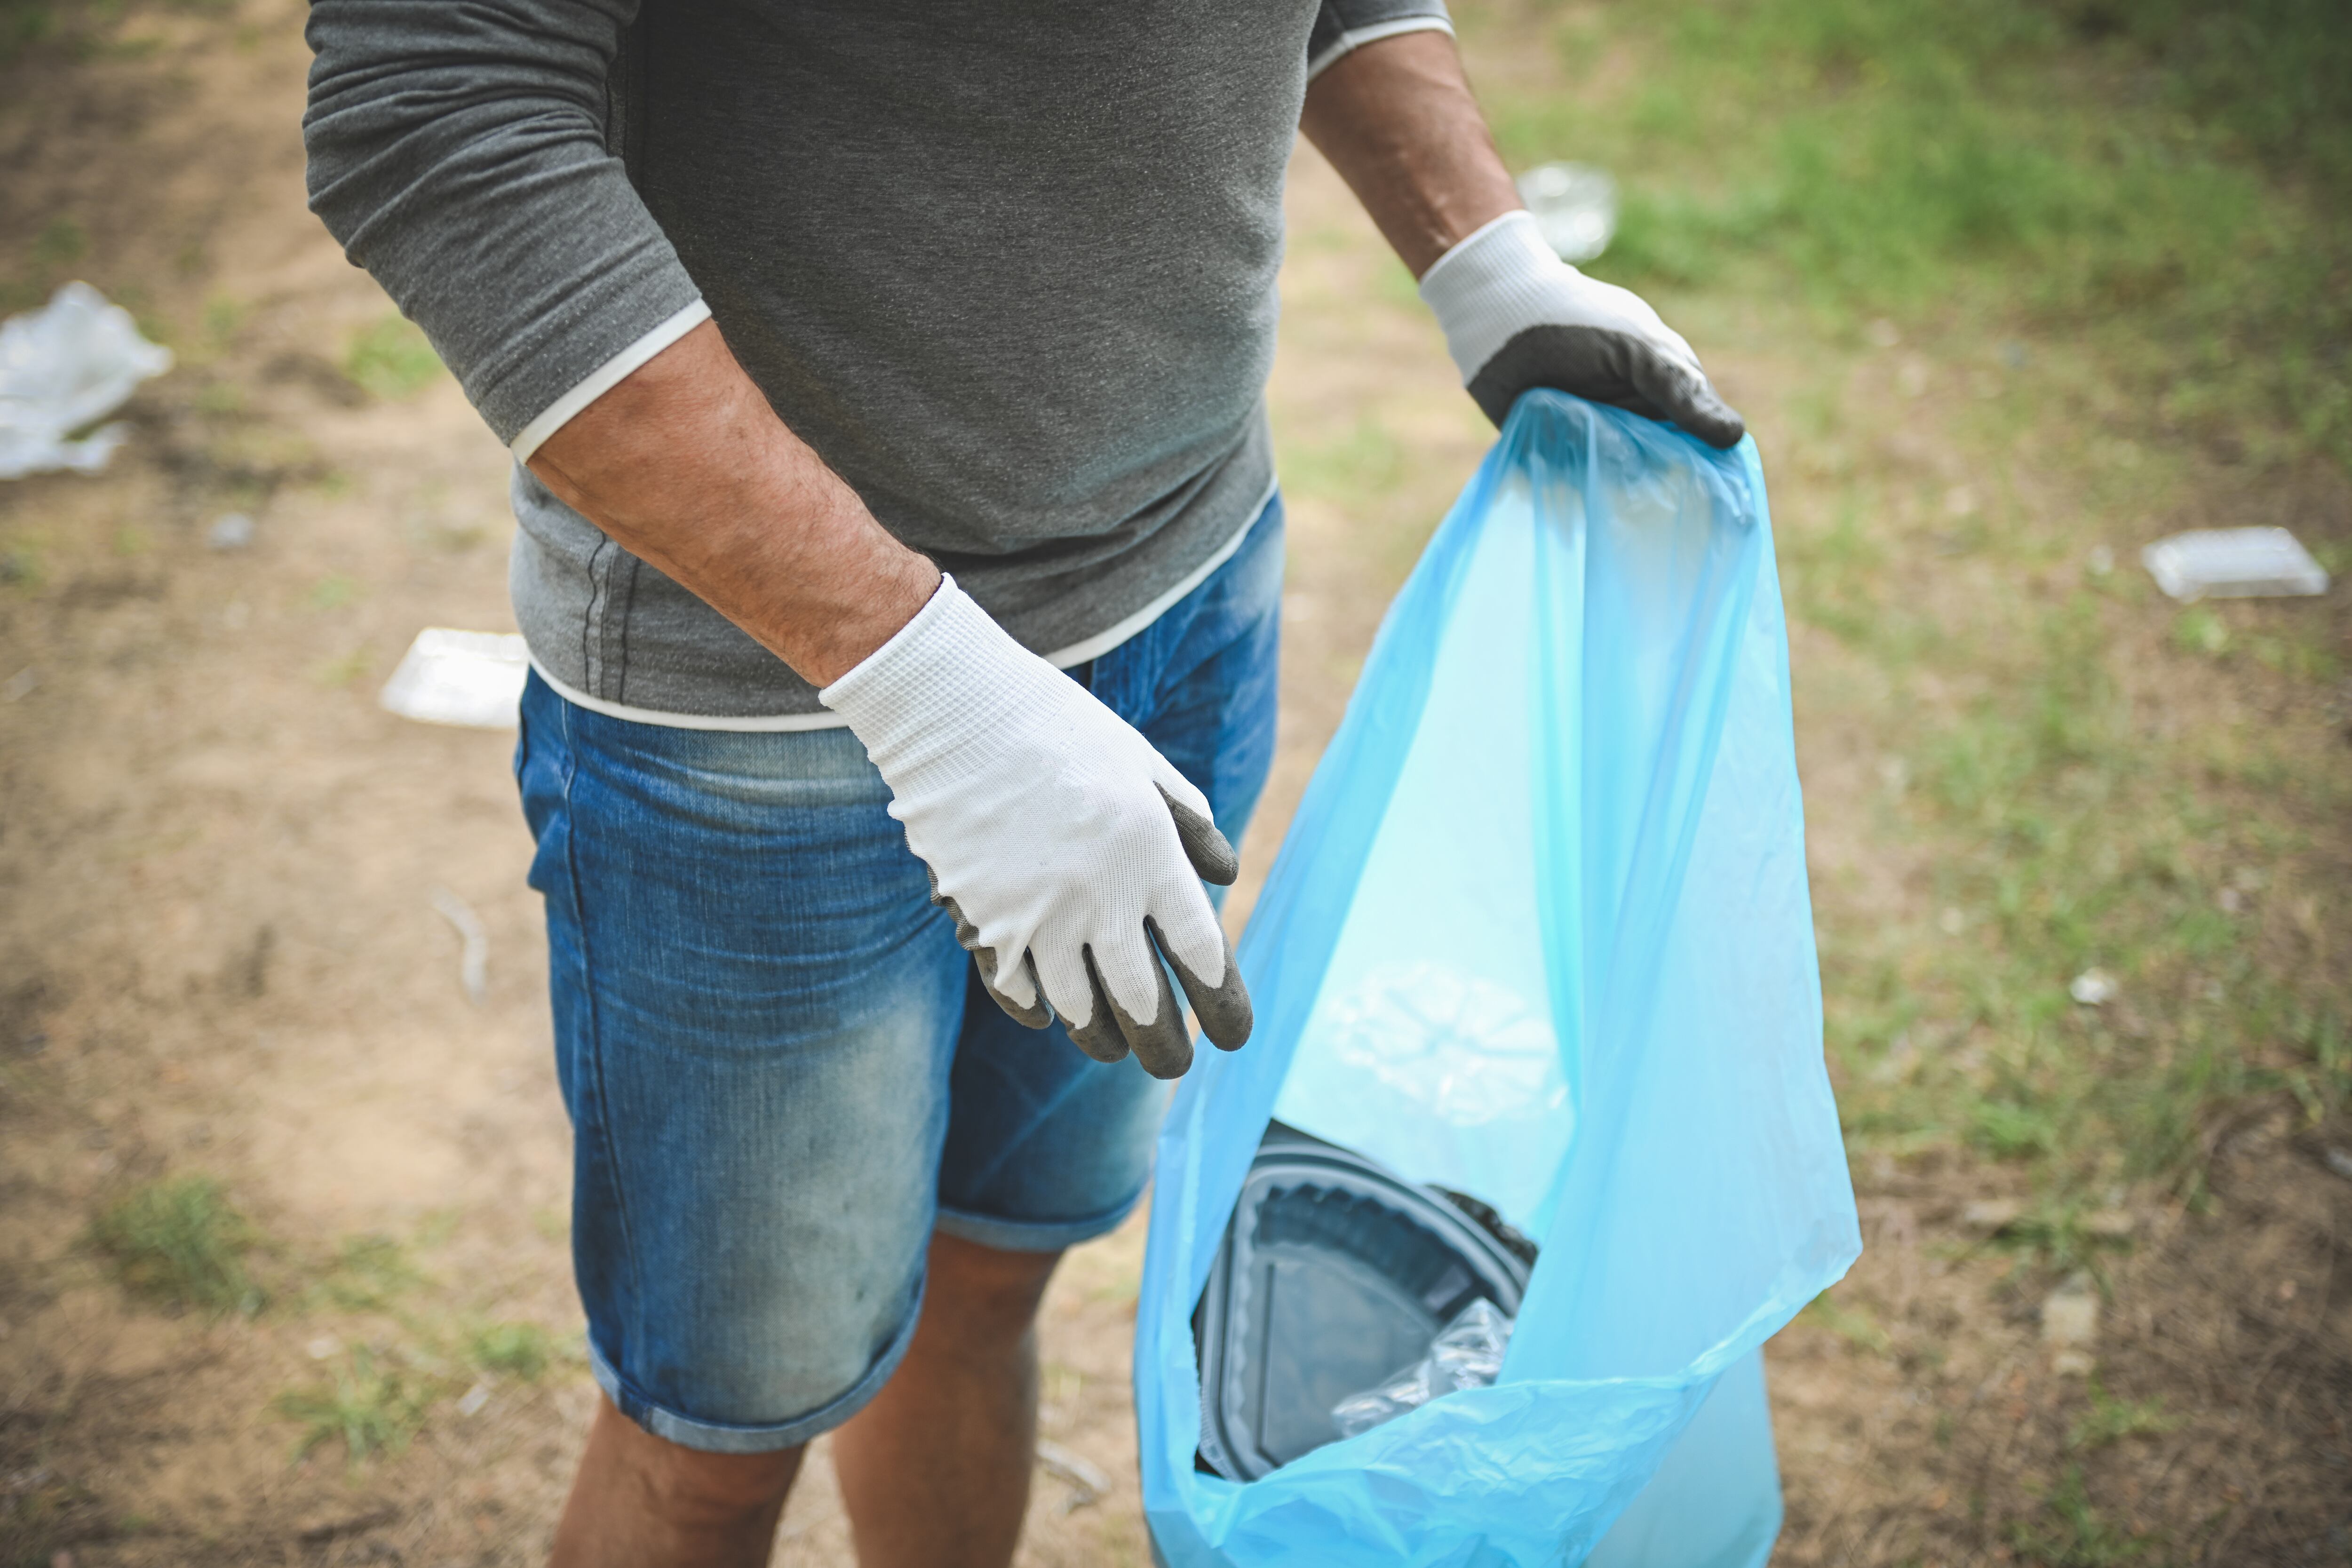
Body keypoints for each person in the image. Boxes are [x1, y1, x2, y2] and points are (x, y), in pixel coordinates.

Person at [303, 4, 1742, 1564]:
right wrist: (933, 691)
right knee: (723, 1433)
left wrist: (1485, 256)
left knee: (990, 1280)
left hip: (1185, 592)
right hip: (768, 725)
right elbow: (433, 106)